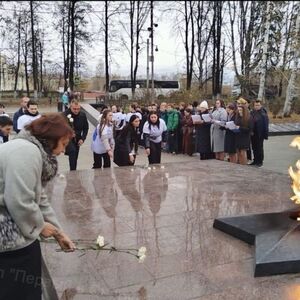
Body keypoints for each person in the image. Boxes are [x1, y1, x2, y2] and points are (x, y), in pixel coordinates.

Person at [0, 113, 75, 300]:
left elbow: (39, 197)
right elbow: (19, 200)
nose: (63, 151)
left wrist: (58, 232)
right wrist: (40, 226)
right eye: (63, 144)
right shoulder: (26, 152)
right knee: (19, 290)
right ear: (52, 139)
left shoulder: (31, 149)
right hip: (9, 240)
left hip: (14, 227)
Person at [63, 100, 89, 171]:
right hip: (68, 138)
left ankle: (73, 170)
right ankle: (73, 171)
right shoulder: (65, 115)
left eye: (78, 109)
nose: (76, 111)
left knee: (75, 157)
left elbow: (86, 128)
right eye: (74, 109)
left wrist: (83, 139)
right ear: (70, 107)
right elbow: (60, 128)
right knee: (73, 151)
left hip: (77, 138)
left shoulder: (82, 115)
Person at [250, 100, 269, 167]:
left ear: (261, 105)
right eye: (255, 105)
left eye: (258, 105)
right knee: (254, 148)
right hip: (253, 133)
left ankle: (260, 161)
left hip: (260, 134)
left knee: (259, 148)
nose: (257, 106)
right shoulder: (252, 112)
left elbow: (265, 125)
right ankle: (255, 160)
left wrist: (265, 135)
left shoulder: (263, 113)